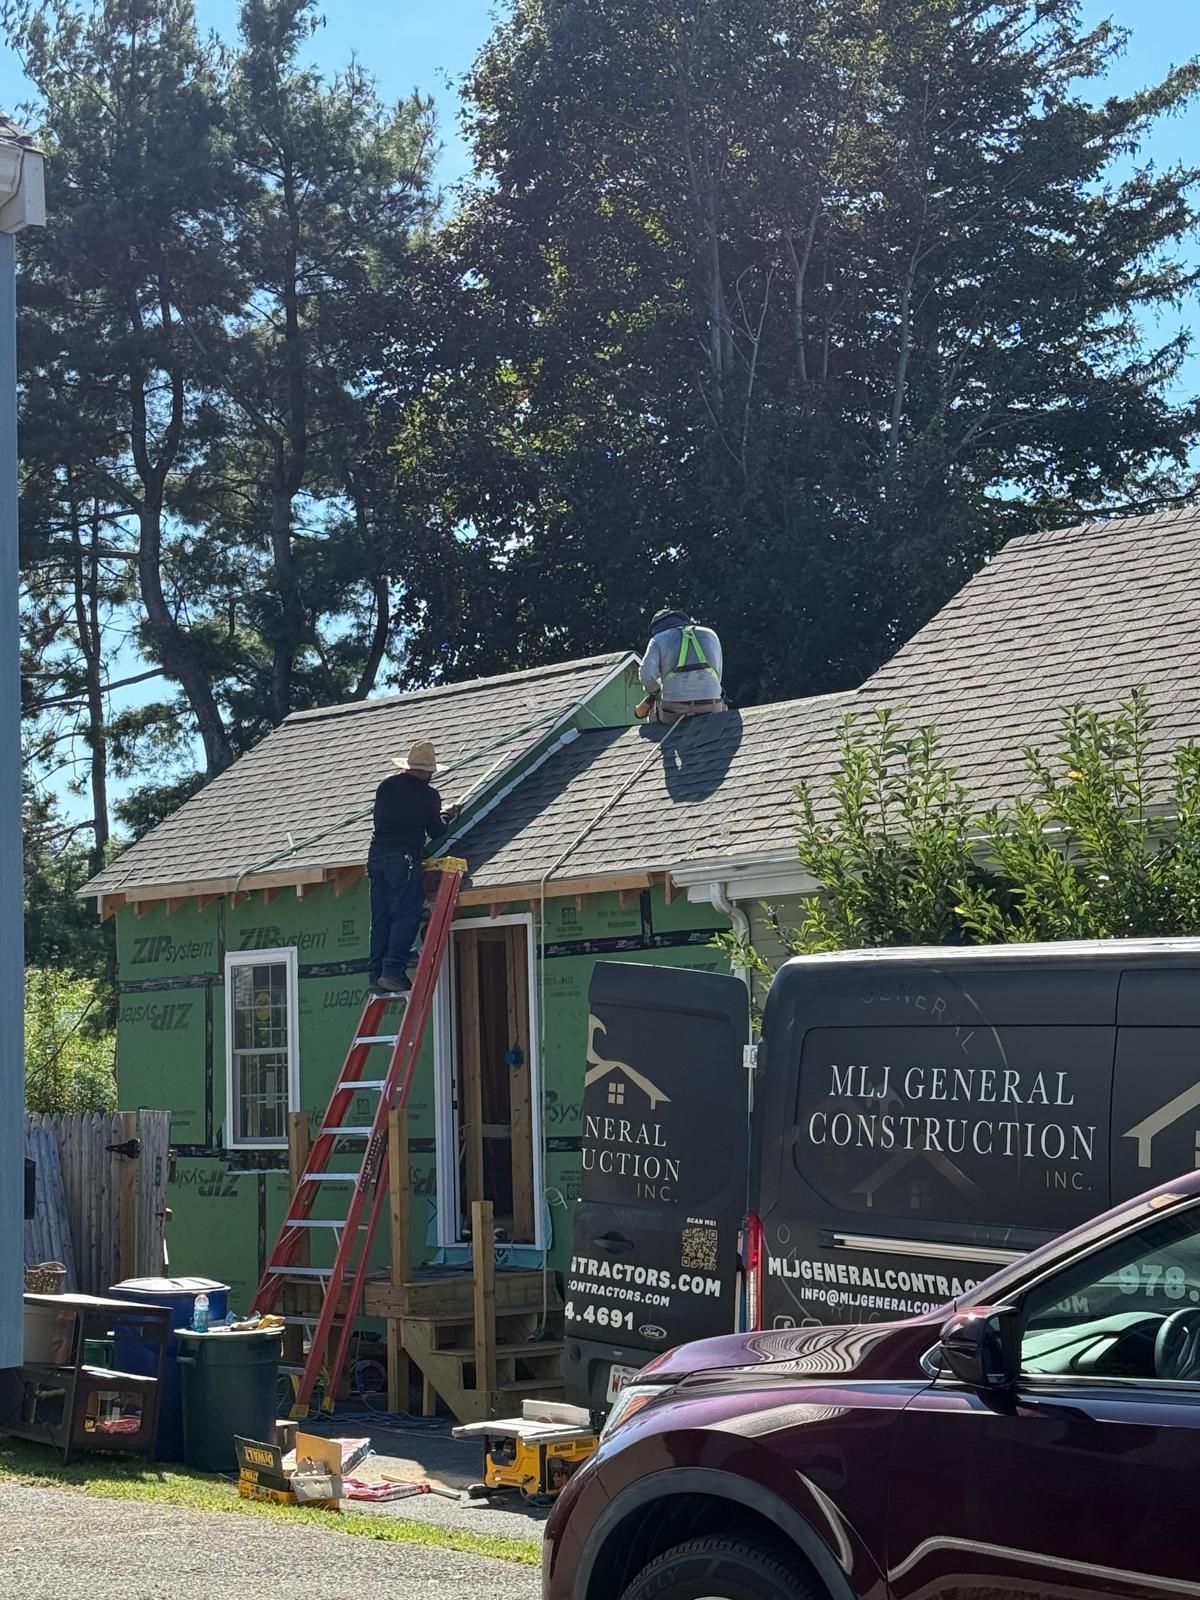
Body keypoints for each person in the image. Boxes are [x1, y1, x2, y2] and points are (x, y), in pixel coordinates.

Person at [368, 740, 457, 998]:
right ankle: (393, 971)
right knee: (405, 914)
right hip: (403, 858)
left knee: (381, 917)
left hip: (376, 856)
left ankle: (376, 974)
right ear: (428, 771)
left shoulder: (386, 787)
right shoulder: (428, 795)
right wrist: (447, 815)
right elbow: (436, 831)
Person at [638, 607, 726, 723]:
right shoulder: (710, 634)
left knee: (654, 717)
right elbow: (718, 673)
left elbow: (646, 675)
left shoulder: (658, 639)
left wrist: (655, 692)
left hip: (674, 708)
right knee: (722, 716)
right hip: (711, 703)